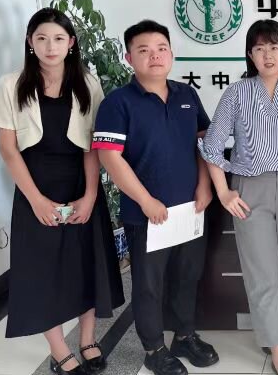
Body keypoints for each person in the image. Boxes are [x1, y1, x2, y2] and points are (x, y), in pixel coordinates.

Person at [0, 8, 124, 375]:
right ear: (30, 43)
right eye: (42, 38)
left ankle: (88, 339)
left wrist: (91, 195)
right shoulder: (11, 85)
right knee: (43, 270)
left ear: (71, 43)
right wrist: (36, 200)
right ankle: (59, 349)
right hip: (36, 187)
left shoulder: (88, 83)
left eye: (59, 39)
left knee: (86, 264)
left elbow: (93, 145)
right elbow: (8, 150)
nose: (51, 46)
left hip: (81, 182)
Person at [93, 20, 218, 375]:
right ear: (129, 57)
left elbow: (203, 143)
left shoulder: (186, 95)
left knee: (187, 276)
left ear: (171, 54)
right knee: (149, 285)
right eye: (144, 50)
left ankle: (184, 336)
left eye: (161, 48)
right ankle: (154, 349)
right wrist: (146, 200)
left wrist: (205, 186)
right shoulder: (118, 103)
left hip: (190, 208)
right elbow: (109, 157)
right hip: (145, 213)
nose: (155, 56)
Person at [199, 20, 278, 375]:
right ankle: (277, 348)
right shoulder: (237, 92)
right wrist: (223, 191)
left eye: (275, 47)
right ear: (250, 54)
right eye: (260, 48)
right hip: (250, 188)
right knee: (261, 270)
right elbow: (211, 145)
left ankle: (275, 334)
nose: (268, 55)